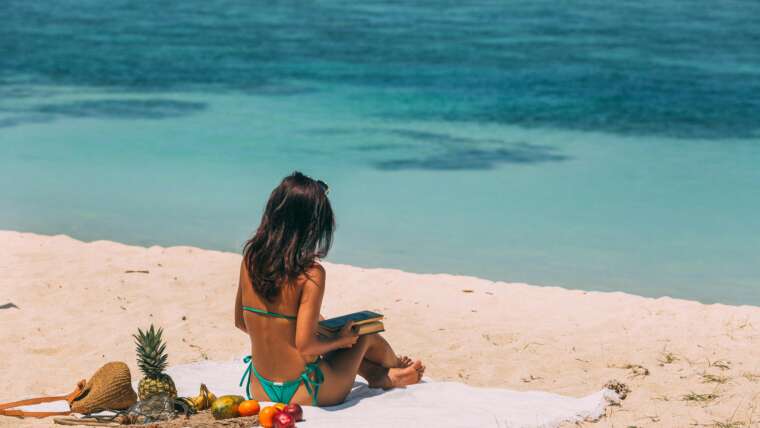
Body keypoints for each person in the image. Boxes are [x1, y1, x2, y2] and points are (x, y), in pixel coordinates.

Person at [235, 172, 424, 406]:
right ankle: (394, 369)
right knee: (363, 334)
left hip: (259, 388)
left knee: (323, 327)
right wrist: (341, 340)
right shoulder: (311, 274)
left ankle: (377, 374)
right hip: (307, 390)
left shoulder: (250, 260)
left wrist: (282, 333)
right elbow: (306, 346)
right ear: (312, 225)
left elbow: (241, 322)